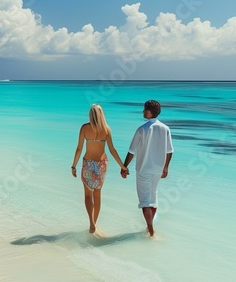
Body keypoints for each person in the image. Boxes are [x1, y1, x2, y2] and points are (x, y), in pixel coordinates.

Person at [72, 104, 127, 234]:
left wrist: (73, 165)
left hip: (88, 164)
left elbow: (79, 148)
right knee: (97, 195)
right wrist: (122, 166)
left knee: (87, 195)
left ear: (91, 115)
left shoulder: (85, 128)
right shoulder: (107, 129)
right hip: (102, 164)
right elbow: (112, 150)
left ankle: (91, 223)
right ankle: (94, 225)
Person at [121, 100, 173, 237]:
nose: (143, 111)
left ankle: (150, 230)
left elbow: (131, 151)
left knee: (145, 201)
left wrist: (124, 166)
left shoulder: (142, 129)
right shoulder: (165, 128)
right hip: (158, 169)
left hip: (143, 169)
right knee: (153, 198)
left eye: (145, 109)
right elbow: (170, 151)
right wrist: (166, 167)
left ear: (150, 112)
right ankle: (149, 227)